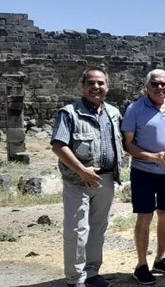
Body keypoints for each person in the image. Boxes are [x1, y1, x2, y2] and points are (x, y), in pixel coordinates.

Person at [52, 67, 124, 287]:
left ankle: (92, 273)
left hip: (105, 180)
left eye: (100, 83)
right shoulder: (69, 113)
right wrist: (82, 171)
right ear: (83, 86)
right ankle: (75, 279)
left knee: (98, 228)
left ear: (107, 87)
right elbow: (59, 146)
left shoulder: (113, 113)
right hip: (78, 181)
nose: (96, 87)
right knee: (77, 231)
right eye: (91, 83)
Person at [121, 69, 165, 284]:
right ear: (147, 86)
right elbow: (128, 144)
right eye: (155, 84)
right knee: (145, 217)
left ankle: (161, 258)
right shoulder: (135, 109)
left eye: (163, 84)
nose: (159, 87)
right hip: (144, 172)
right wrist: (151, 156)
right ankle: (141, 264)